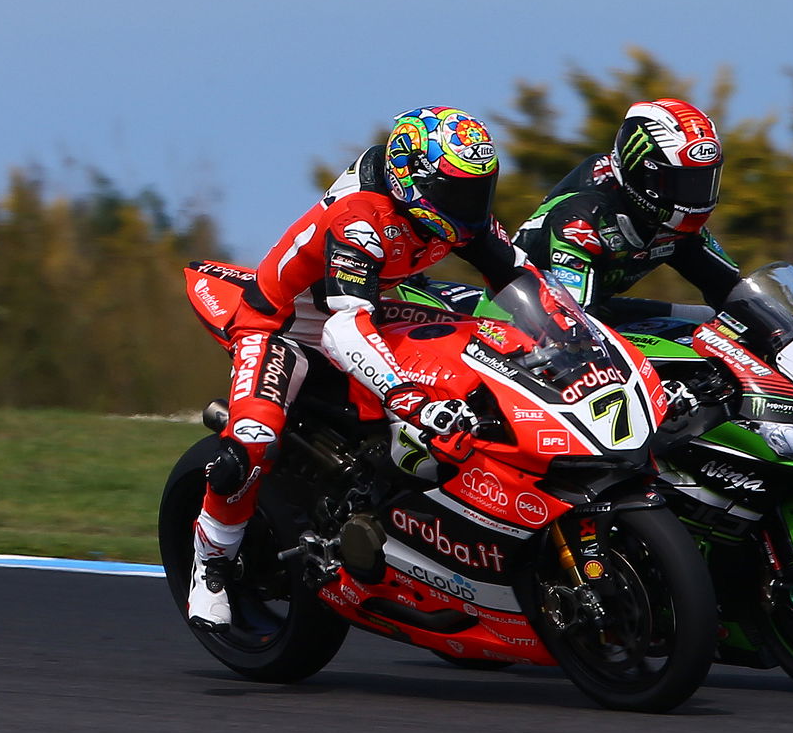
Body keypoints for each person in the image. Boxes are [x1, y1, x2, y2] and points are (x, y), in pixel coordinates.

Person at [185, 106, 554, 631]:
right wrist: (406, 395)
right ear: (410, 177)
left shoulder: (451, 213)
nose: (470, 205)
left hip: (370, 308)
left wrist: (566, 339)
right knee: (252, 440)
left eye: (479, 189)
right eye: (456, 191)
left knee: (479, 362)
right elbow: (342, 330)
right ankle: (212, 564)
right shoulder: (360, 216)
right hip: (284, 325)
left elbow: (522, 278)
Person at [514, 98, 740, 328]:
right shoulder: (581, 221)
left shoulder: (673, 224)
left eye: (703, 183)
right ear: (642, 174)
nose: (695, 198)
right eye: (684, 184)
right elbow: (575, 325)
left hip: (593, 312)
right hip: (526, 326)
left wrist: (775, 332)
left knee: (720, 324)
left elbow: (733, 290)